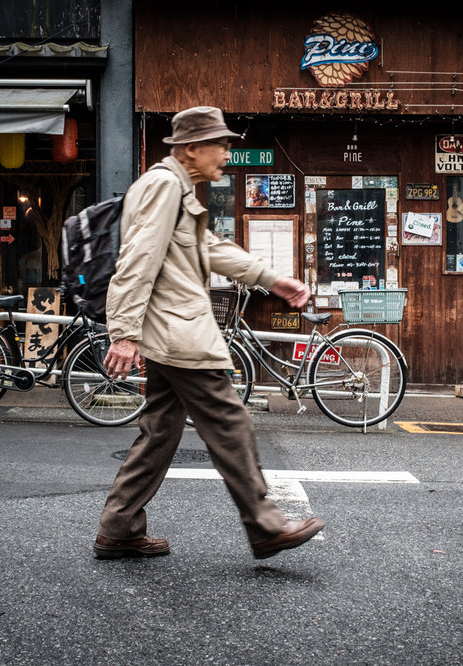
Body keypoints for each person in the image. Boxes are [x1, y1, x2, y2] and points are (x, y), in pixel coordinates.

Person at [94, 106, 325, 560]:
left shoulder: (179, 190)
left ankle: (118, 528)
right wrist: (122, 332)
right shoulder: (163, 186)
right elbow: (137, 260)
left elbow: (210, 249)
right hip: (178, 333)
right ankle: (265, 525)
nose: (226, 152)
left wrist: (271, 279)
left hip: (169, 331)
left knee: (160, 430)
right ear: (191, 149)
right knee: (228, 420)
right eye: (219, 144)